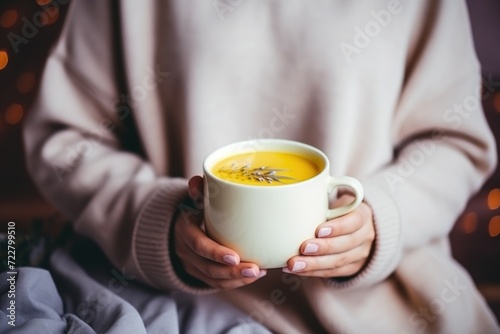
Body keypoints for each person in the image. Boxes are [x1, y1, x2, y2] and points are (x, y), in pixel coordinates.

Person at [21, 0, 500, 333]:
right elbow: (64, 140)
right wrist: (156, 222)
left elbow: (454, 140)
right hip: (168, 301)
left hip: (380, 304)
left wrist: (381, 220)